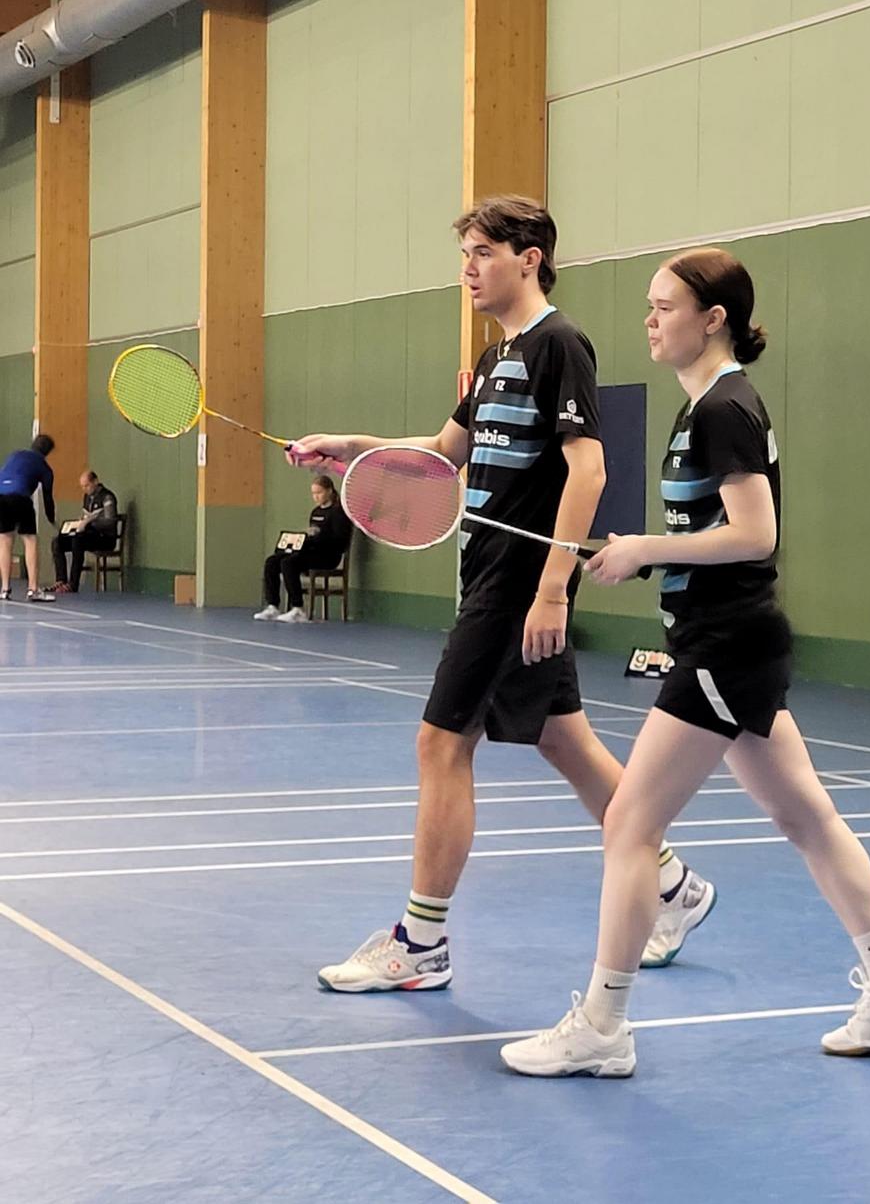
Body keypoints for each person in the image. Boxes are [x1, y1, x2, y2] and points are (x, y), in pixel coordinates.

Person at [500, 248, 870, 1078]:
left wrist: (645, 548)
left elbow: (755, 534)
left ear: (714, 320)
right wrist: (645, 553)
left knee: (630, 825)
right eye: (649, 304)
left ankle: (602, 1024)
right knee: (806, 816)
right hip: (737, 643)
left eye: (665, 306)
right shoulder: (704, 404)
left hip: (723, 645)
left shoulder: (725, 407)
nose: (649, 319)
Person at [287, 196, 715, 993]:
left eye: (483, 253)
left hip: (519, 583)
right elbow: (442, 452)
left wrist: (553, 590)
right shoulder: (493, 359)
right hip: (487, 574)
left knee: (441, 743)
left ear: (530, 258)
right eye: (465, 256)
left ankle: (421, 941)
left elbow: (589, 469)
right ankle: (672, 885)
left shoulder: (559, 343)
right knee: (563, 739)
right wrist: (347, 446)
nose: (469, 270)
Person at [254, 474, 353, 624]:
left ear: (329, 491)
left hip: (328, 556)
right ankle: (273, 606)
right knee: (272, 561)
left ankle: (298, 608)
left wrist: (318, 538)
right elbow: (312, 536)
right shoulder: (315, 512)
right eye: (313, 493)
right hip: (311, 552)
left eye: (319, 493)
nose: (316, 497)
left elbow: (339, 542)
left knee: (289, 563)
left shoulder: (339, 513)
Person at [0, 434, 57, 604]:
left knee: (5, 540)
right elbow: (47, 497)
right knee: (30, 540)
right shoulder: (44, 467)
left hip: (1, 497)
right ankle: (33, 589)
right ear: (48, 452)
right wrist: (52, 518)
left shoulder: (15, 455)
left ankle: (5, 589)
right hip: (20, 498)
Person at [51, 470, 119, 593]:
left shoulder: (107, 497)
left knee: (78, 541)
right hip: (89, 535)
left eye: (87, 485)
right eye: (82, 486)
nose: (84, 489)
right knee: (58, 541)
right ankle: (61, 580)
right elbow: (86, 516)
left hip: (104, 538)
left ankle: (73, 584)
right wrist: (80, 522)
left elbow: (110, 522)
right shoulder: (87, 498)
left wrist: (89, 523)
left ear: (95, 482)